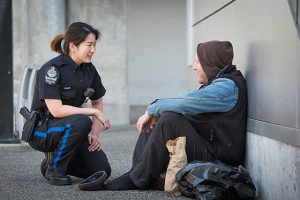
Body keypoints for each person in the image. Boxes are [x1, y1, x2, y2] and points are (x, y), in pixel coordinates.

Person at [104, 40, 247, 190]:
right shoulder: (219, 83)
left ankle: (137, 179)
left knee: (168, 119)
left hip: (219, 161)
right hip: (209, 147)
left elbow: (185, 101)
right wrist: (155, 112)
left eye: (198, 62)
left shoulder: (227, 88)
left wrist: (151, 109)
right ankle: (138, 173)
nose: (194, 67)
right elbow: (185, 103)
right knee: (159, 118)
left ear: (211, 63)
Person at [28, 22, 111, 186]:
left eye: (94, 45)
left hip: (70, 128)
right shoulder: (52, 69)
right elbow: (56, 110)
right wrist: (92, 113)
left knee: (102, 170)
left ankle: (50, 164)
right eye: (89, 45)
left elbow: (97, 100)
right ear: (73, 46)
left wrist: (95, 134)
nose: (93, 50)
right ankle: (55, 170)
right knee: (81, 121)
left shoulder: (89, 69)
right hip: (43, 130)